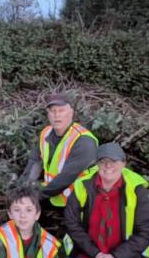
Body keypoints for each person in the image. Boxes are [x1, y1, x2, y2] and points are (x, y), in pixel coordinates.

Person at [63, 143, 149, 258]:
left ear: (123, 163)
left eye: (114, 161)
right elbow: (72, 224)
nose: (108, 166)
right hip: (88, 250)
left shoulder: (136, 189)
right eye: (103, 161)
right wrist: (97, 254)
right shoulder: (82, 185)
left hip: (120, 252)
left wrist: (116, 257)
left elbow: (146, 231)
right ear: (97, 164)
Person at [22, 92, 98, 234]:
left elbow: (66, 178)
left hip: (80, 203)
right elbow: (35, 161)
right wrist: (24, 186)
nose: (56, 115)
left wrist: (33, 196)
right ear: (48, 114)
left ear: (71, 113)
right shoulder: (45, 133)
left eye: (61, 110)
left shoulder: (83, 141)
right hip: (53, 198)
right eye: (52, 111)